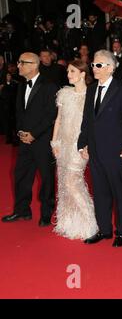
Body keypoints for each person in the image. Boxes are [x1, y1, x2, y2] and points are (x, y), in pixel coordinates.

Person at [77, 50, 122, 247]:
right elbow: (87, 120)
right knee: (100, 192)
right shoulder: (91, 89)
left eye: (99, 65)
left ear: (111, 68)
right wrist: (81, 144)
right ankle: (104, 229)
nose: (94, 68)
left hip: (116, 150)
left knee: (119, 192)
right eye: (93, 64)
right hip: (95, 150)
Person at [1, 52, 58, 226]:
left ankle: (46, 214)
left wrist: (34, 134)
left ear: (33, 65)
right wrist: (20, 132)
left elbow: (51, 115)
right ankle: (22, 211)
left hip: (42, 141)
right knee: (21, 176)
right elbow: (19, 113)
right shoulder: (21, 86)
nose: (18, 66)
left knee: (47, 178)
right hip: (25, 141)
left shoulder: (49, 86)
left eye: (21, 63)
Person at [51, 60, 98, 240]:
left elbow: (92, 125)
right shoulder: (64, 93)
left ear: (82, 74)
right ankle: (69, 222)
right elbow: (59, 120)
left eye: (72, 71)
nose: (69, 74)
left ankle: (90, 222)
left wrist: (87, 145)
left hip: (79, 145)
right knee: (63, 183)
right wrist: (54, 142)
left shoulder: (91, 95)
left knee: (73, 181)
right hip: (63, 143)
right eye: (68, 71)